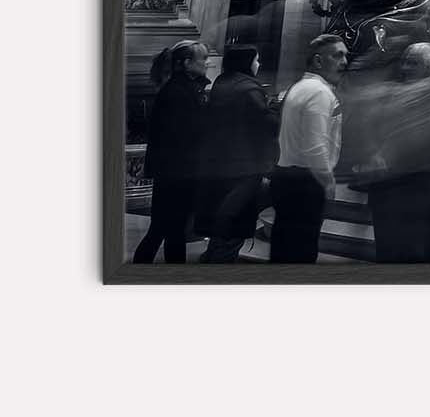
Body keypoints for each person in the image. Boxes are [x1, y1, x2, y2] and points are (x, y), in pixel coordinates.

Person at [365, 41, 430, 262]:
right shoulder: (388, 93)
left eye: (414, 63)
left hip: (426, 187)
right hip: (388, 188)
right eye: (405, 62)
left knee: (422, 253)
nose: (406, 68)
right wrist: (373, 152)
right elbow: (369, 129)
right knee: (387, 251)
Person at [269, 33, 346, 263]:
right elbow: (315, 146)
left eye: (345, 56)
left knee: (284, 248)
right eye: (337, 55)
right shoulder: (320, 93)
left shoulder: (300, 86)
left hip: (287, 176)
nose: (344, 62)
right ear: (318, 61)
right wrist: (327, 179)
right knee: (301, 251)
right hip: (304, 182)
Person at [198, 43, 277, 262]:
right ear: (247, 62)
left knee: (221, 227)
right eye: (256, 59)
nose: (259, 64)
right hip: (243, 169)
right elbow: (266, 124)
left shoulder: (222, 83)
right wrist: (276, 107)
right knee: (232, 231)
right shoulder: (249, 90)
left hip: (219, 167)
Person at [132, 40, 208, 262]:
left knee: (169, 230)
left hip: (173, 173)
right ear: (186, 63)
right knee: (163, 230)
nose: (207, 62)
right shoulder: (178, 93)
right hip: (176, 174)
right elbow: (184, 136)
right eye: (202, 58)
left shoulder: (180, 89)